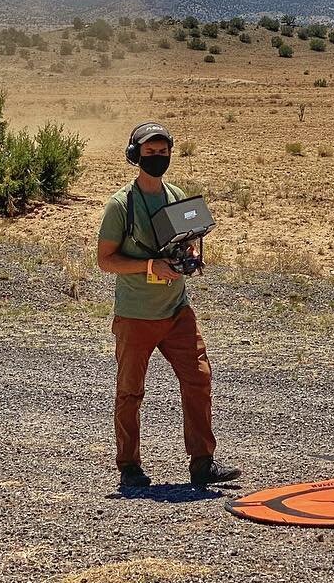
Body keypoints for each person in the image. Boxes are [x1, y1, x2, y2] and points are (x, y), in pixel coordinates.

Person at [95, 121, 241, 490]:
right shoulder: (120, 206)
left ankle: (203, 464)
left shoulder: (176, 196)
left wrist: (188, 255)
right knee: (131, 391)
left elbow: (185, 240)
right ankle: (129, 466)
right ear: (135, 154)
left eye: (163, 152)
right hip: (136, 314)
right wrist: (149, 266)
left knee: (198, 378)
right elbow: (105, 261)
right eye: (150, 152)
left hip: (176, 310)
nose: (157, 158)